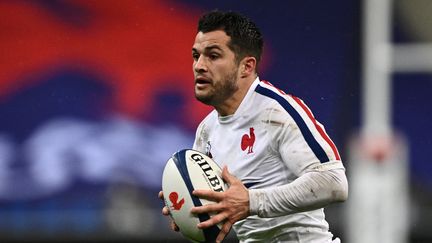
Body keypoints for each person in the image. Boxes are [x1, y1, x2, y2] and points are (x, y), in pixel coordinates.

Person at [159, 10, 348, 243]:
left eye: (213, 56)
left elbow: (334, 182)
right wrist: (188, 208)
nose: (199, 66)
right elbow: (219, 216)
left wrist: (251, 201)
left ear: (246, 66)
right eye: (196, 56)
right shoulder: (206, 130)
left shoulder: (276, 112)